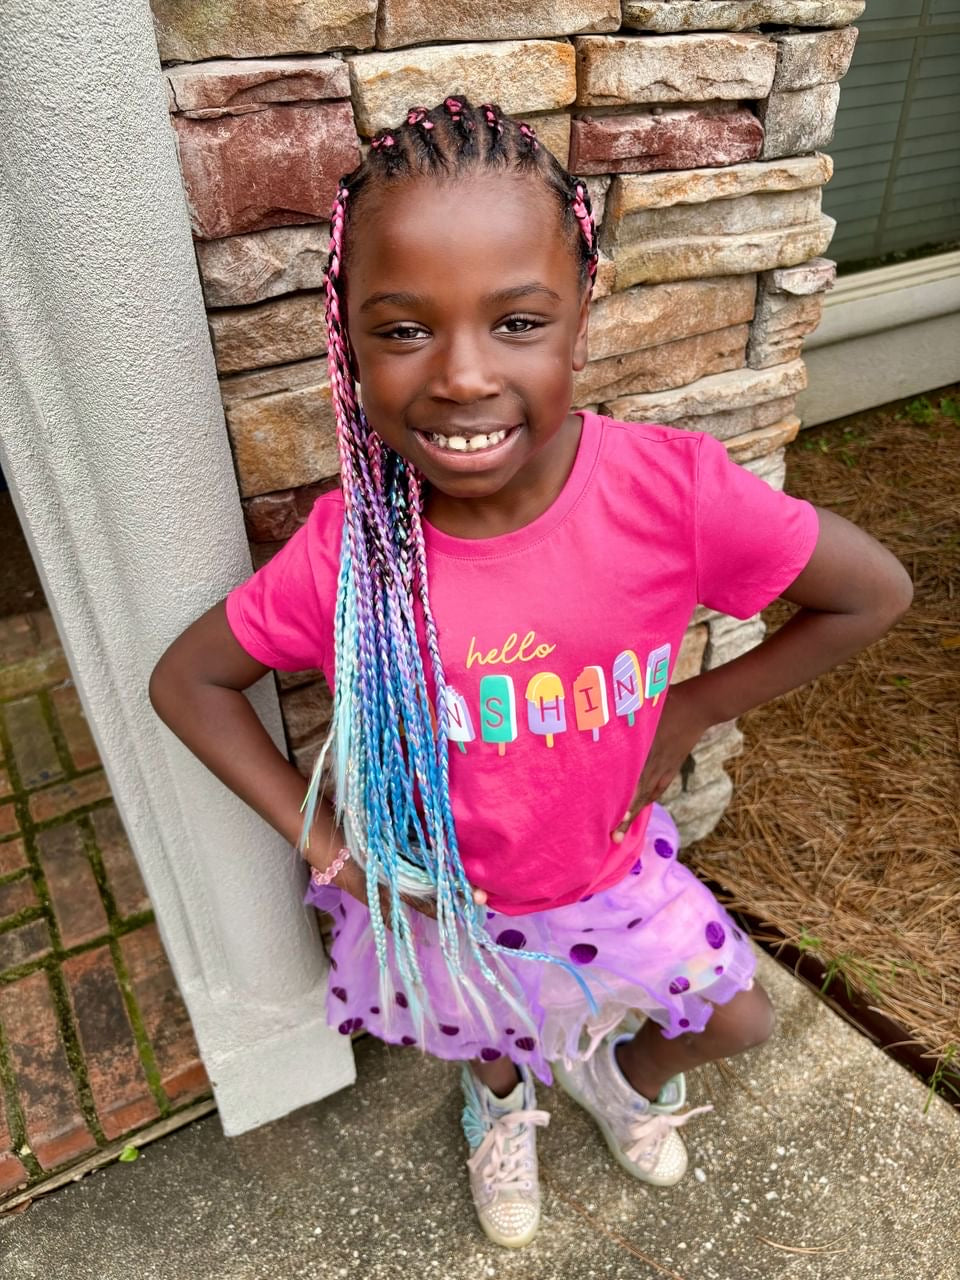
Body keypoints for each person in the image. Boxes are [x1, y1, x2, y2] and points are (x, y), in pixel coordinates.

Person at [149, 97, 912, 1250]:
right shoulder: (355, 553)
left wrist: (695, 704)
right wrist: (327, 848)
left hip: (606, 878)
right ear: (346, 339)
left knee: (738, 1016)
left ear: (581, 319)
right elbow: (188, 683)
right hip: (456, 903)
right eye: (403, 330)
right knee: (491, 1031)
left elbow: (872, 592)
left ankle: (616, 1082)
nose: (460, 375)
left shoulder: (672, 497)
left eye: (516, 320)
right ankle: (499, 1106)